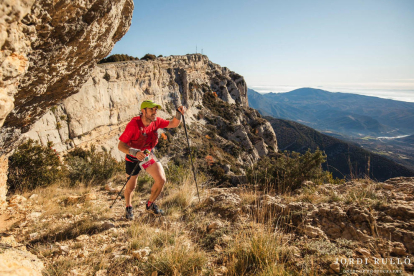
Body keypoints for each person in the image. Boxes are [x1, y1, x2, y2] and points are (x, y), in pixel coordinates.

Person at [118, 100, 186, 219]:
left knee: (161, 179)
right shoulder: (133, 125)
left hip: (147, 155)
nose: (155, 112)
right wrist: (134, 152)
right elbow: (121, 146)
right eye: (151, 110)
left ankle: (150, 204)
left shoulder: (156, 121)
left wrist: (178, 113)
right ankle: (128, 207)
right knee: (131, 187)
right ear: (143, 111)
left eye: (155, 110)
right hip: (132, 157)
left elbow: (174, 124)